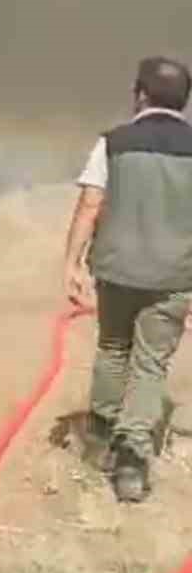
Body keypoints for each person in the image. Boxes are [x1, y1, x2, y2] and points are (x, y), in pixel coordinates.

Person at [63, 56, 192, 504]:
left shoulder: (112, 143)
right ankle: (133, 460)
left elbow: (89, 206)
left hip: (116, 269)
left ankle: (100, 438)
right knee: (151, 363)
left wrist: (72, 264)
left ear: (140, 95)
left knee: (113, 347)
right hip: (175, 275)